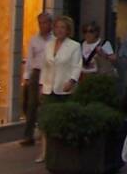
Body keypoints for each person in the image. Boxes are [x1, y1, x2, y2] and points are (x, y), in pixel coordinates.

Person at [37, 15, 82, 163]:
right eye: (57, 27)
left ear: (68, 30)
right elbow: (45, 66)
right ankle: (44, 152)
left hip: (64, 88)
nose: (59, 30)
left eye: (63, 27)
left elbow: (77, 66)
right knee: (46, 120)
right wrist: (41, 85)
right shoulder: (49, 45)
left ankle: (64, 151)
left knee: (64, 120)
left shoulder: (74, 46)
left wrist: (72, 80)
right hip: (49, 88)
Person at [19, 10, 52, 147]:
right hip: (37, 72)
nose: (43, 26)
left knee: (46, 103)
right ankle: (28, 135)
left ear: (50, 24)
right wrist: (27, 77)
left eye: (45, 23)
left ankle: (46, 134)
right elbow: (30, 59)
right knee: (31, 104)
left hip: (49, 72)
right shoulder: (34, 40)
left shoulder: (54, 40)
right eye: (40, 23)